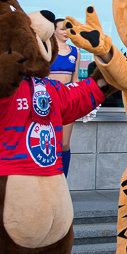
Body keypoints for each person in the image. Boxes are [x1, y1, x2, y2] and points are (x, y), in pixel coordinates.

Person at [48, 19, 82, 177]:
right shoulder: (47, 49)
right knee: (49, 143)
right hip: (48, 100)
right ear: (54, 30)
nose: (66, 32)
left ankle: (63, 180)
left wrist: (79, 99)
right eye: (62, 29)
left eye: (68, 29)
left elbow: (75, 79)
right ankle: (50, 181)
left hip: (67, 100)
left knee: (64, 144)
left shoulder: (75, 52)